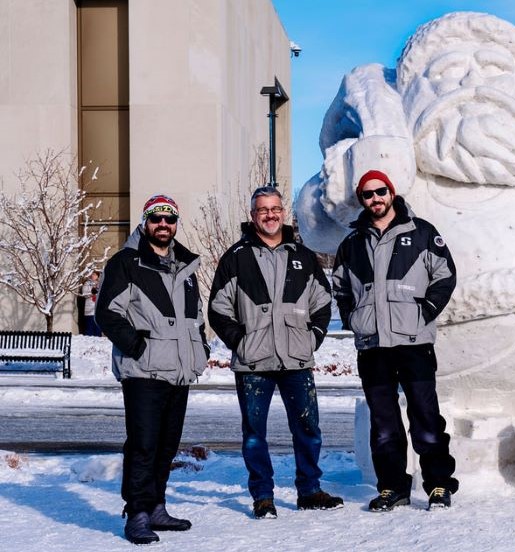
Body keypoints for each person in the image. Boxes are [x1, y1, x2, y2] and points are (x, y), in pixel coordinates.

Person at [208, 185, 343, 519]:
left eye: (275, 209)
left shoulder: (303, 256)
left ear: (283, 213)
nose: (270, 215)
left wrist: (312, 338)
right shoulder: (236, 258)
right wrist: (241, 343)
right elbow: (218, 309)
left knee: (308, 428)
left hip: (296, 359)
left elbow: (322, 303)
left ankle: (309, 490)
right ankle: (263, 496)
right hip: (253, 363)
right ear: (253, 215)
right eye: (262, 210)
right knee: (255, 435)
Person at [333, 169, 459, 512]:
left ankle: (437, 485)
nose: (375, 198)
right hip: (373, 347)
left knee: (426, 418)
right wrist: (353, 319)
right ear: (363, 200)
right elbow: (341, 288)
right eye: (368, 194)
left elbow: (445, 275)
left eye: (380, 191)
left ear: (391, 193)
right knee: (384, 424)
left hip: (414, 342)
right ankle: (392, 488)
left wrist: (426, 310)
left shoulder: (421, 233)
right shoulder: (352, 243)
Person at [95, 194, 209, 545]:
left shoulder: (185, 267)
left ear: (176, 224)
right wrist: (137, 346)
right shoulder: (126, 263)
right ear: (145, 222)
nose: (163, 225)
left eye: (170, 219)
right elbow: (107, 314)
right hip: (144, 372)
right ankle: (138, 514)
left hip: (178, 371)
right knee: (143, 445)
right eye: (156, 218)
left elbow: (196, 317)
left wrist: (200, 348)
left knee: (166, 445)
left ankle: (157, 505)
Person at [81, 270, 101, 336]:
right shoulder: (87, 283)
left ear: (98, 276)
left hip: (98, 310)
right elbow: (84, 294)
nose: (93, 276)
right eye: (92, 274)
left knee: (98, 329)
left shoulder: (100, 284)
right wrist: (92, 292)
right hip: (89, 310)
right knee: (89, 329)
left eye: (95, 274)